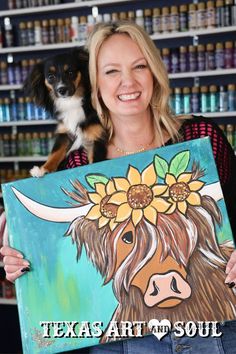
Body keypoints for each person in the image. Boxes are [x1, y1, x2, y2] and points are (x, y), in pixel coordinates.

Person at [1, 21, 236, 354]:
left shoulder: (202, 138)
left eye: (139, 66)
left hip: (215, 328)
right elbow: (60, 266)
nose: (128, 81)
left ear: (154, 72)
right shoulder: (78, 167)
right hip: (123, 339)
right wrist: (22, 261)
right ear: (93, 83)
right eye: (111, 71)